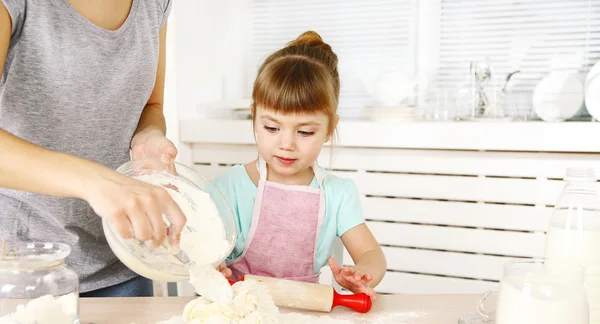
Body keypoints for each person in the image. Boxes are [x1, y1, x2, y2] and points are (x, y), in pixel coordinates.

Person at [0, 0, 186, 297]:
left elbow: (151, 105)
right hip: (22, 268)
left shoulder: (155, 4)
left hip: (125, 259)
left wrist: (148, 135)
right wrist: (95, 181)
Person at [214, 31, 386, 300]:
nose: (287, 144)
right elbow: (198, 252)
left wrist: (363, 273)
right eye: (271, 127)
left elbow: (371, 254)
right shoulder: (228, 188)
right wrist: (210, 265)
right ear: (254, 117)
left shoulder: (338, 193)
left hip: (307, 318)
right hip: (239, 312)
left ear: (330, 129)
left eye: (305, 132)